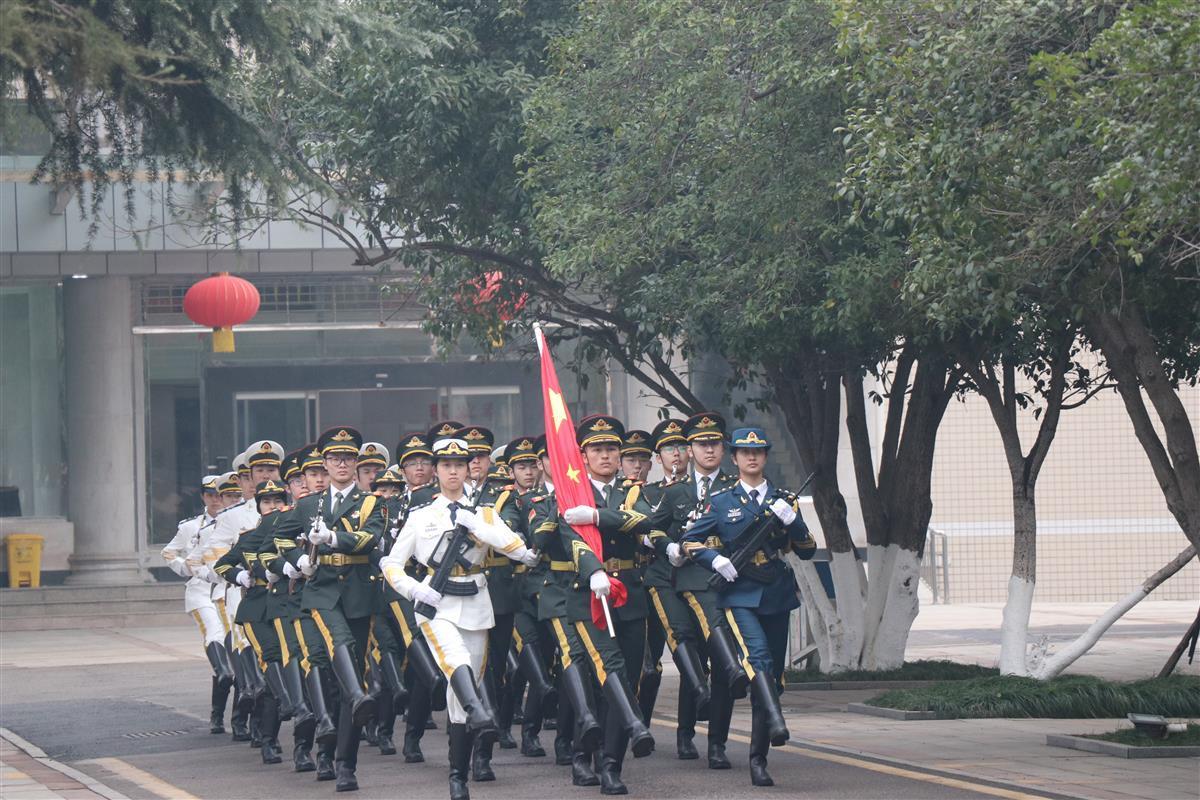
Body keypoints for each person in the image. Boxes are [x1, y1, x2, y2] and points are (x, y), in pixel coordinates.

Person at [380, 436, 540, 800]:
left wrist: (480, 527)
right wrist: (414, 589)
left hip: (476, 602)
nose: (453, 471)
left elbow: (520, 552)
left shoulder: (484, 513)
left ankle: (458, 776)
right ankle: (480, 710)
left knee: (458, 693)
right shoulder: (422, 516)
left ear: (469, 469)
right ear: (436, 471)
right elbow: (390, 563)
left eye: (459, 465)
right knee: (454, 661)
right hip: (436, 605)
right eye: (445, 466)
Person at [682, 426, 817, 787]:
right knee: (757, 660)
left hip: (776, 594)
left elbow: (807, 549)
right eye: (744, 452)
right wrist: (714, 560)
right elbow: (689, 542)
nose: (751, 457)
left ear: (765, 457)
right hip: (739, 594)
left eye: (757, 452)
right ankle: (776, 723)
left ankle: (759, 758)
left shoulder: (783, 499)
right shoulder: (723, 500)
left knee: (769, 676)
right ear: (735, 457)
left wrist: (795, 522)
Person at [532, 414, 657, 795]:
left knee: (629, 677)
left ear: (620, 455)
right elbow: (570, 536)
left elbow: (645, 521)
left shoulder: (632, 493)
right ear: (583, 456)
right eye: (597, 449)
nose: (605, 455)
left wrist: (600, 516)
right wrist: (593, 571)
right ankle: (593, 759)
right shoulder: (571, 494)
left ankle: (611, 760)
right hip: (586, 594)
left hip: (631, 593)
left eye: (611, 449)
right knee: (606, 671)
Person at [276, 427, 387, 792]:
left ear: (356, 464)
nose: (342, 463)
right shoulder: (309, 505)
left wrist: (333, 538)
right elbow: (281, 537)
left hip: (357, 592)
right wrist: (296, 562)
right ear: (324, 463)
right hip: (321, 592)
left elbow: (371, 537)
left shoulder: (372, 502)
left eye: (349, 458)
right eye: (335, 458)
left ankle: (345, 764)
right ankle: (358, 695)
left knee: (347, 678)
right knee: (340, 650)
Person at [161, 474, 236, 734]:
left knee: (235, 646)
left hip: (227, 588)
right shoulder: (191, 527)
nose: (216, 500)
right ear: (204, 497)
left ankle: (225, 714)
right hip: (201, 590)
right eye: (211, 495)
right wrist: (187, 570)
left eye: (222, 495)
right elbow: (169, 553)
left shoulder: (235, 522)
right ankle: (222, 673)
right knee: (215, 635)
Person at [502, 436, 558, 759]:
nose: (525, 471)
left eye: (528, 465)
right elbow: (508, 531)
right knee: (530, 660)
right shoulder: (514, 501)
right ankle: (512, 725)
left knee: (546, 664)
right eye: (520, 466)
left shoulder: (561, 496)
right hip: (521, 592)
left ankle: (531, 733)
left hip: (551, 591)